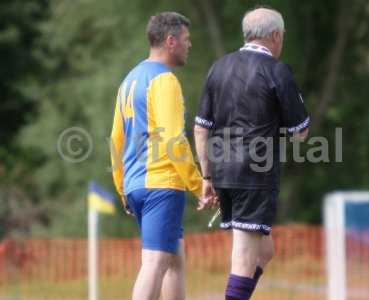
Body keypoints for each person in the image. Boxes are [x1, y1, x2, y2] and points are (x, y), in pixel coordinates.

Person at [194, 7, 310, 300]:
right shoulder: (277, 70)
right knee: (244, 255)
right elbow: (300, 131)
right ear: (274, 35)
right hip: (254, 175)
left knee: (265, 250)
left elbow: (201, 129)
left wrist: (207, 175)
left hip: (222, 171)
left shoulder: (218, 67)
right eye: (281, 36)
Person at [110, 12, 213, 300]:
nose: (189, 45)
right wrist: (198, 185)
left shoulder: (128, 81)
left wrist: (122, 189)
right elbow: (173, 140)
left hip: (136, 185)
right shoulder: (164, 80)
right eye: (186, 40)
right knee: (155, 263)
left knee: (174, 262)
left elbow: (116, 141)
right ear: (170, 41)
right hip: (161, 184)